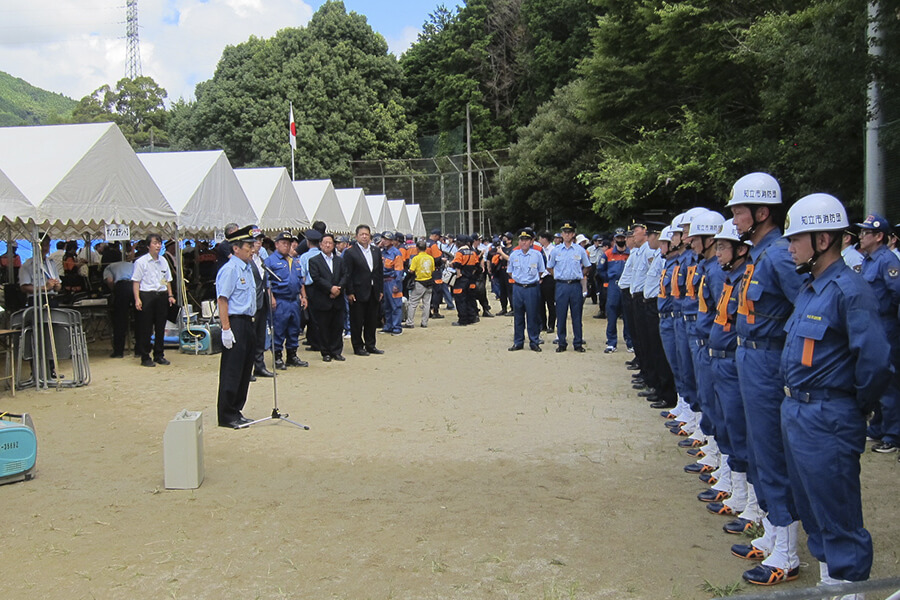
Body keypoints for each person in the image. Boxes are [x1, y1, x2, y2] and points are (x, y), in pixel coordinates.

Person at [780, 193, 891, 593]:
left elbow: (876, 362)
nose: (789, 246)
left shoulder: (850, 290)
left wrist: (851, 407)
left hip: (829, 416)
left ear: (823, 240)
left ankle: (851, 589)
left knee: (839, 513)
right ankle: (832, 584)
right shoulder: (812, 288)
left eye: (796, 238)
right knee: (814, 509)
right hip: (798, 412)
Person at [726, 172, 806, 586]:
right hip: (750, 358)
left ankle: (787, 552)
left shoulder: (776, 255)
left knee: (772, 454)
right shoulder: (760, 254)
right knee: (759, 449)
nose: (735, 218)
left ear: (762, 212)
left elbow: (807, 308)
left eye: (740, 210)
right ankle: (774, 534)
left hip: (768, 361)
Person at [855, 213, 900, 455]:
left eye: (866, 233)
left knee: (890, 381)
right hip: (873, 325)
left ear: (879, 236)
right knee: (878, 377)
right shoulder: (870, 260)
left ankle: (893, 435)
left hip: (886, 326)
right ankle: (879, 427)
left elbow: (897, 293)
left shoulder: (887, 261)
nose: (861, 237)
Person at [215, 225, 259, 429]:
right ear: (236, 249)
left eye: (252, 245)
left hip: (248, 321)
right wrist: (226, 329)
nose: (252, 249)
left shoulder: (247, 267)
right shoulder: (231, 269)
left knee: (244, 369)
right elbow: (222, 300)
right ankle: (226, 414)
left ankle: (236, 409)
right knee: (232, 370)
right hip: (235, 322)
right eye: (248, 246)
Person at [264, 231, 307, 370]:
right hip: (280, 300)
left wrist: (304, 296)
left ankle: (292, 356)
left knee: (294, 329)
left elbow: (300, 281)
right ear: (276, 244)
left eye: (288, 244)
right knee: (279, 329)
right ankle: (277, 357)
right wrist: (271, 298)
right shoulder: (270, 261)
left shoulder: (294, 261)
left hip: (294, 300)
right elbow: (266, 282)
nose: (286, 246)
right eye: (283, 243)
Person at [131, 233, 175, 368]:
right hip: (147, 295)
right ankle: (145, 356)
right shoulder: (141, 262)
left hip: (161, 295)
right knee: (146, 327)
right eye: (155, 243)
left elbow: (166, 280)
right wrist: (137, 299)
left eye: (159, 243)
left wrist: (170, 295)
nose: (158, 246)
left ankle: (159, 354)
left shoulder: (163, 261)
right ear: (148, 245)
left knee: (161, 327)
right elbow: (136, 282)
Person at [548, 221, 591, 352]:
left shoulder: (580, 250)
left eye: (569, 233)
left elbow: (587, 266)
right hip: (561, 285)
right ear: (561, 234)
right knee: (561, 315)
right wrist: (558, 276)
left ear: (573, 234)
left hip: (575, 285)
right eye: (564, 233)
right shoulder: (556, 251)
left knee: (576, 315)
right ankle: (562, 342)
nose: (566, 235)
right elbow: (549, 267)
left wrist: (579, 274)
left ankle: (578, 343)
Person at [343, 225, 385, 356]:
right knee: (357, 321)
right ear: (356, 236)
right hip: (358, 291)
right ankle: (358, 346)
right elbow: (347, 274)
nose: (364, 236)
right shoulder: (350, 253)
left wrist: (380, 290)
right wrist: (349, 292)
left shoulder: (376, 251)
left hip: (373, 290)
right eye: (362, 234)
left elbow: (379, 272)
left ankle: (371, 345)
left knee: (372, 320)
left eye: (367, 234)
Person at [307, 233, 348, 362]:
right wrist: (330, 288)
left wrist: (338, 289)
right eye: (325, 243)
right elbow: (316, 278)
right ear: (320, 244)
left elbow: (345, 276)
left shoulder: (339, 260)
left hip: (338, 298)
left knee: (337, 326)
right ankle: (325, 352)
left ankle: (336, 351)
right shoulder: (314, 261)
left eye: (330, 243)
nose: (328, 245)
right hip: (322, 298)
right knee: (323, 327)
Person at [507, 228, 545, 352]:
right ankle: (518, 342)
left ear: (531, 241)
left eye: (526, 240)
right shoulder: (514, 254)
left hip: (531, 288)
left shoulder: (537, 255)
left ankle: (534, 341)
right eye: (521, 240)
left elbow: (540, 271)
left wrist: (529, 280)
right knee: (518, 316)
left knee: (532, 315)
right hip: (518, 288)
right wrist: (520, 280)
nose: (524, 242)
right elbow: (510, 272)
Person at [598, 227, 631, 352]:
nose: (620, 240)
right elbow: (601, 269)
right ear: (614, 239)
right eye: (618, 238)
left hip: (627, 287)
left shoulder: (631, 253)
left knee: (628, 314)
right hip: (613, 285)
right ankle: (611, 342)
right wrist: (608, 279)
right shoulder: (608, 253)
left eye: (622, 238)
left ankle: (630, 342)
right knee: (611, 314)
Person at [249, 228, 274, 379]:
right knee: (250, 338)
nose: (258, 243)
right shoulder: (246, 261)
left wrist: (270, 296)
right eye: (256, 240)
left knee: (260, 337)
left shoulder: (262, 260)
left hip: (262, 301)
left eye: (260, 241)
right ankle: (248, 368)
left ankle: (259, 366)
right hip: (251, 304)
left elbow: (265, 282)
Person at [103, 247, 135, 359]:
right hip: (135, 286)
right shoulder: (132, 264)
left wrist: (114, 291)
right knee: (139, 319)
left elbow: (110, 281)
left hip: (121, 287)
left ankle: (118, 351)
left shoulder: (109, 267)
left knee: (120, 320)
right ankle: (140, 350)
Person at [450, 235, 480, 326]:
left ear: (459, 242)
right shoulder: (472, 252)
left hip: (461, 279)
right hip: (470, 278)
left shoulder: (460, 252)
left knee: (460, 300)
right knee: (469, 299)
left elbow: (458, 264)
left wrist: (458, 273)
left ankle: (462, 320)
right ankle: (471, 317)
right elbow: (477, 266)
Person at [405, 239, 434, 328]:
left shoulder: (416, 258)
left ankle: (410, 322)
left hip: (419, 282)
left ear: (417, 248)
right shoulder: (430, 258)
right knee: (426, 303)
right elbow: (432, 269)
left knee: (413, 303)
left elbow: (411, 270)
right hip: (429, 281)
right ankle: (424, 323)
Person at [379, 231, 404, 334]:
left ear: (392, 241)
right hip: (384, 281)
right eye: (383, 239)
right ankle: (388, 326)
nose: (384, 241)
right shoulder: (382, 252)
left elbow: (399, 270)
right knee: (387, 306)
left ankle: (397, 327)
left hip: (393, 281)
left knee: (395, 305)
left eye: (387, 239)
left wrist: (397, 284)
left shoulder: (396, 253)